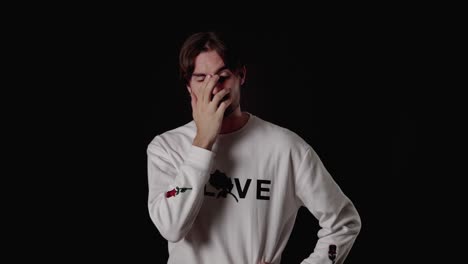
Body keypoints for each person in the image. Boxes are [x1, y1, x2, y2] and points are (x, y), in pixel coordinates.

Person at [147, 31, 361, 264]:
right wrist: (202, 143)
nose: (214, 88)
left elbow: (344, 222)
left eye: (223, 76)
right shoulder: (166, 147)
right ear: (188, 86)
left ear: (241, 76)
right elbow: (171, 228)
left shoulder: (285, 148)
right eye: (201, 78)